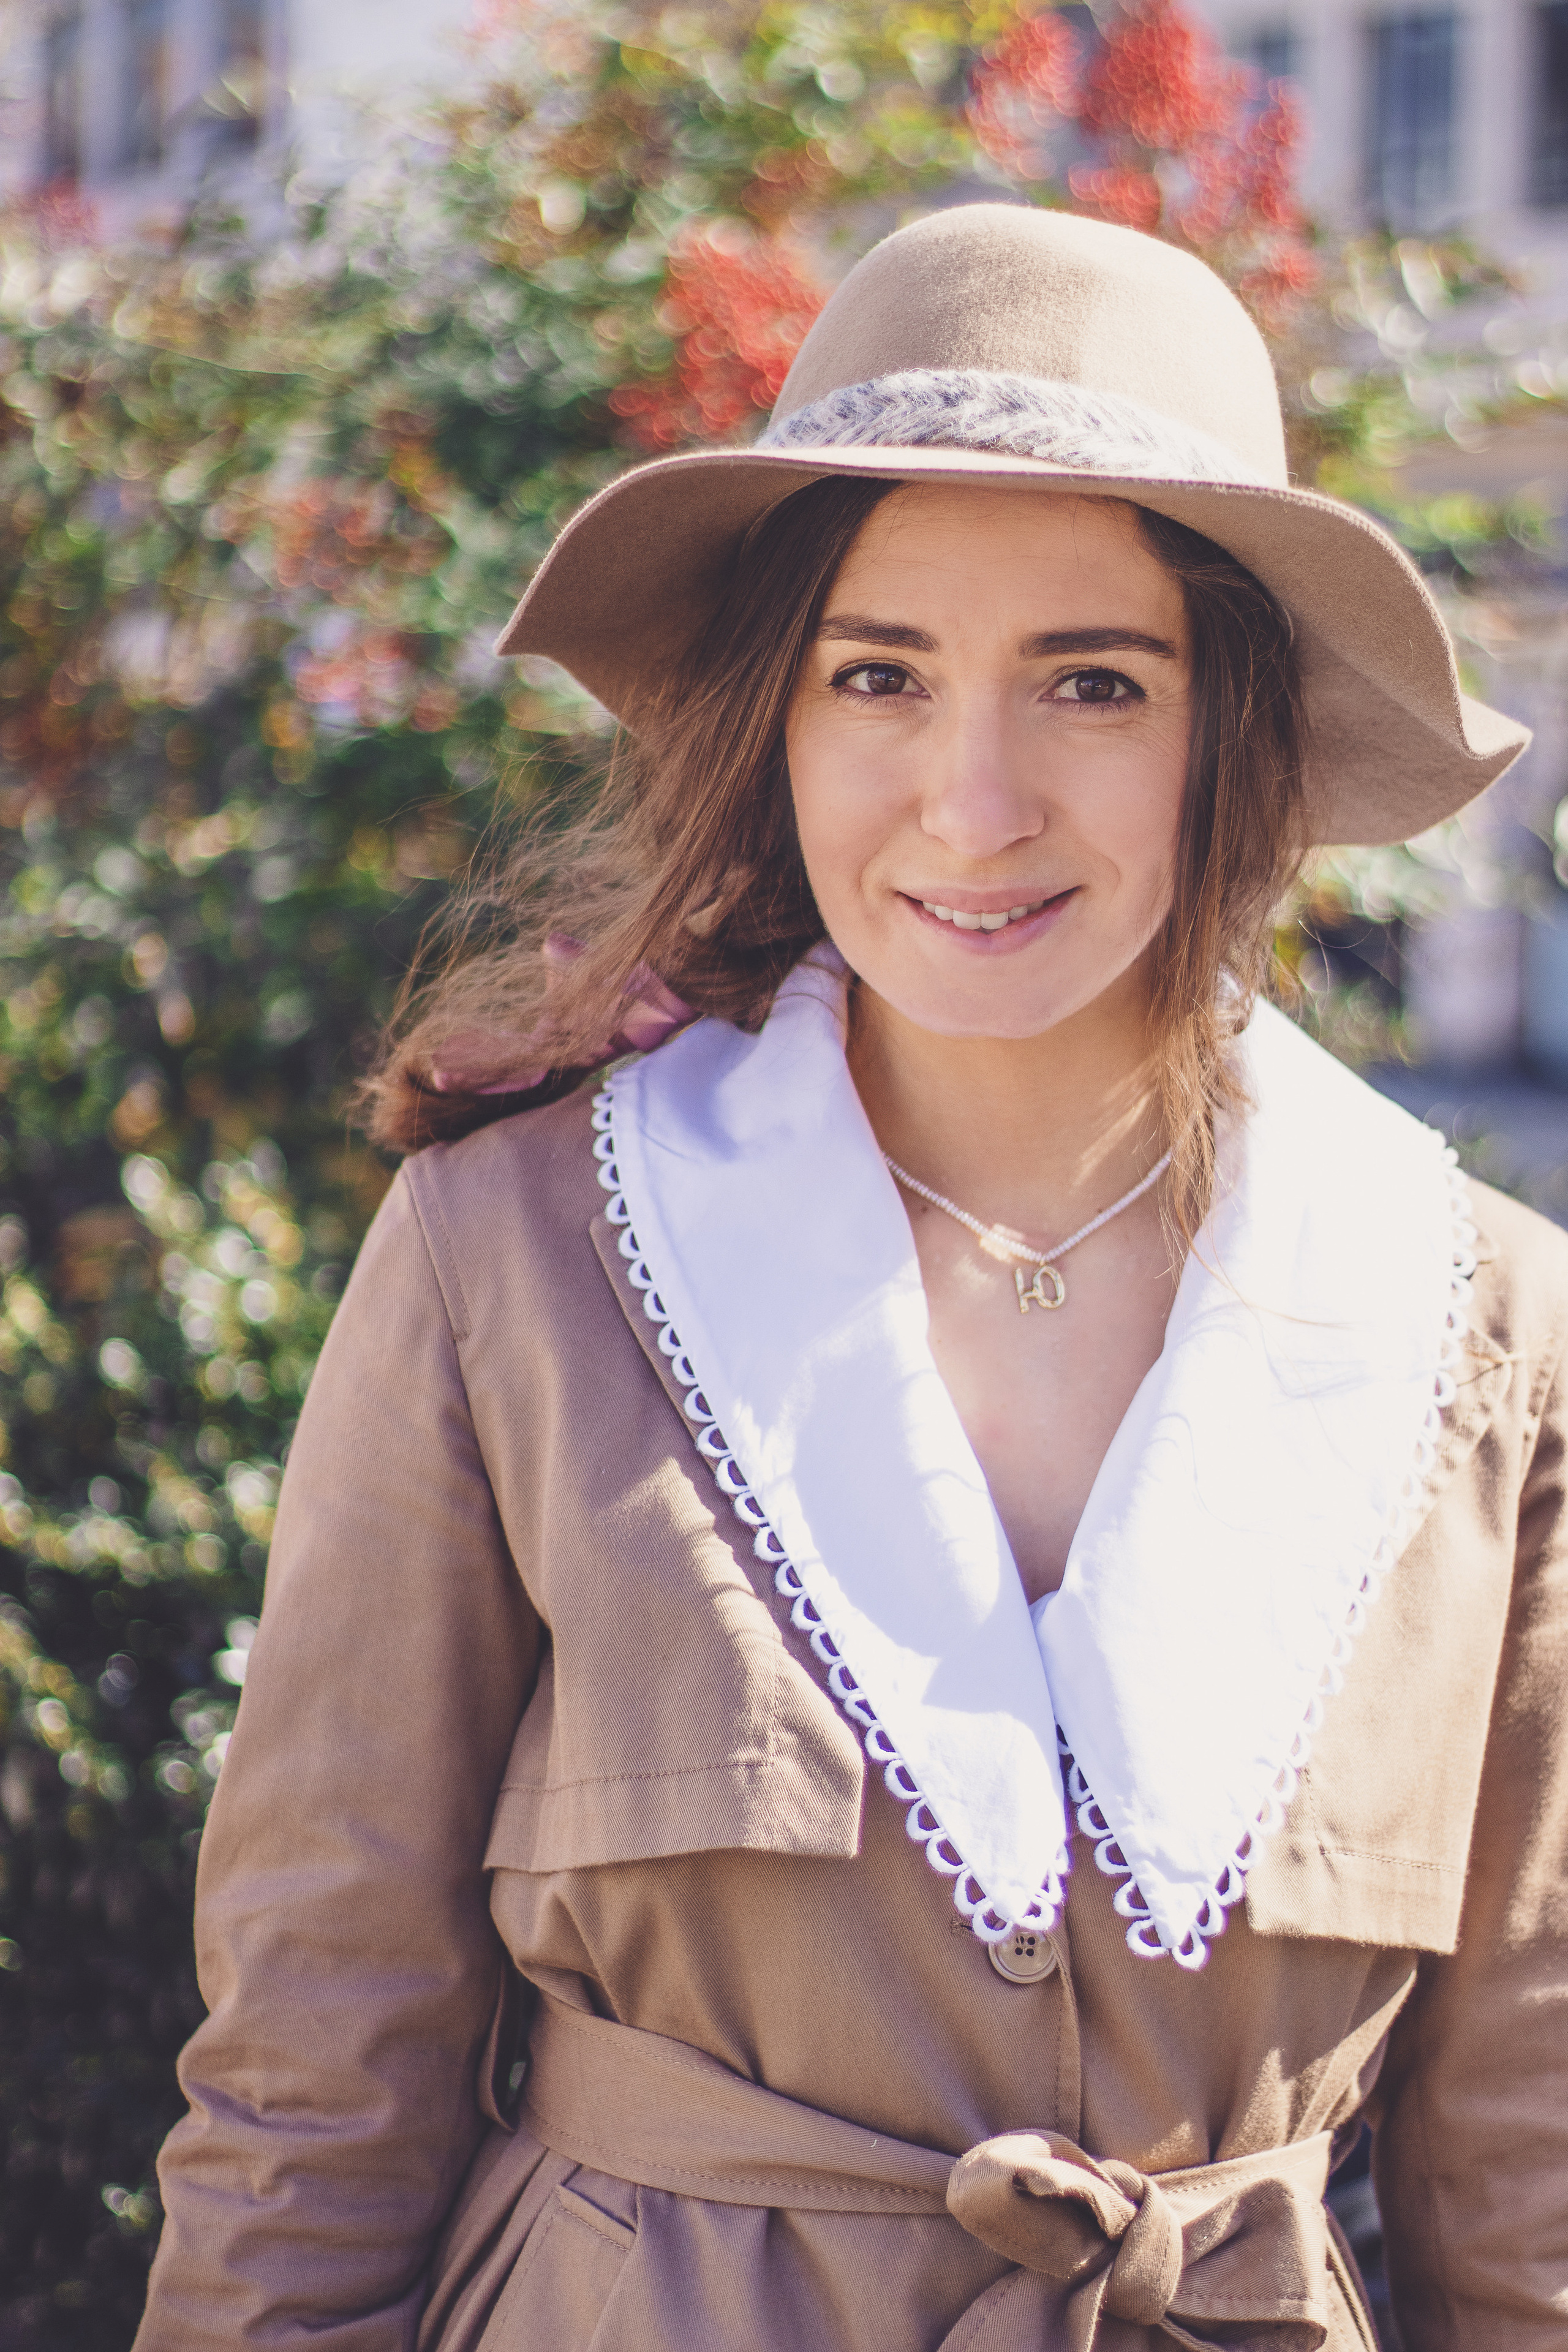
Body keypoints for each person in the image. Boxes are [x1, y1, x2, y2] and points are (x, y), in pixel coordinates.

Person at [134, 206, 1568, 2352]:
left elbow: (1530, 2178)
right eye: (878, 674)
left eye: (1094, 682)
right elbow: (314, 2078)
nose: (971, 802)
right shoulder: (511, 1264)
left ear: (1232, 734)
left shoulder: (1483, 1332)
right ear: (778, 719)